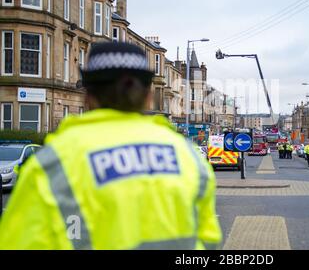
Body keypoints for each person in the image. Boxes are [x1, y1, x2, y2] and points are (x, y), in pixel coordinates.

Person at [0, 42, 222, 250]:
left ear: (87, 96)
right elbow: (209, 241)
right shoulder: (189, 158)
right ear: (148, 97)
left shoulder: (51, 165)